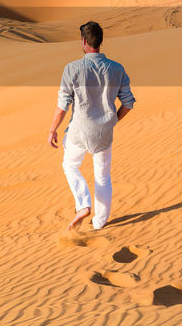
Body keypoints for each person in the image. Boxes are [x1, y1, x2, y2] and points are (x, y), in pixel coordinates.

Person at [47, 21, 135, 230]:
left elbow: (62, 106)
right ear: (100, 42)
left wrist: (52, 130)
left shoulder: (72, 69)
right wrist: (112, 120)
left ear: (84, 41)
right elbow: (129, 103)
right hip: (104, 133)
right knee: (103, 178)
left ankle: (83, 205)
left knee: (70, 165)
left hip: (79, 130)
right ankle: (99, 223)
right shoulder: (117, 68)